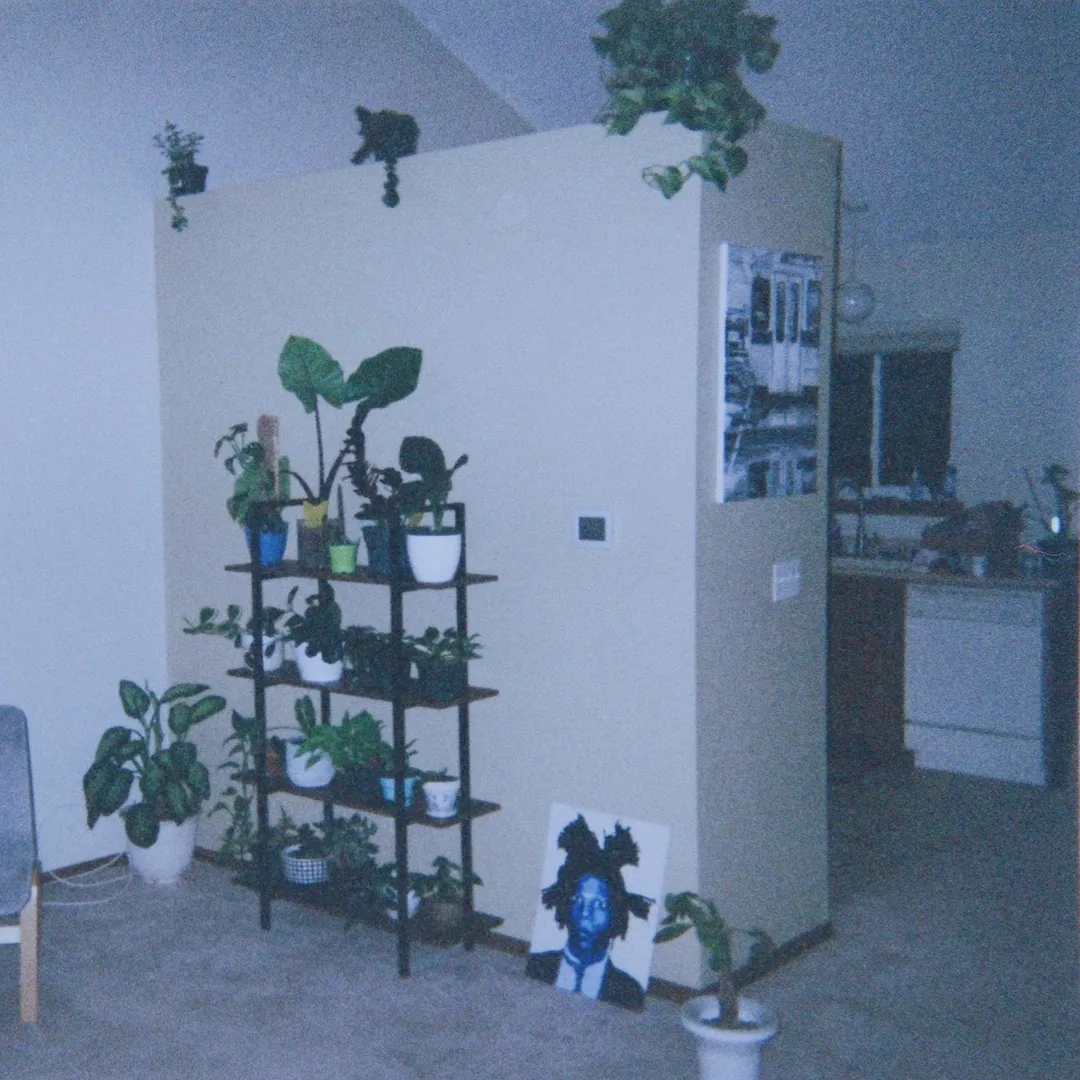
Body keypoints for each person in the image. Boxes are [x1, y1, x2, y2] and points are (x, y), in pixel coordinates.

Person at [525, 814, 653, 1010]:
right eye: (579, 901)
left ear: (615, 912)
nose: (586, 914)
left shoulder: (629, 991)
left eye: (599, 905)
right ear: (565, 904)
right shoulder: (537, 967)